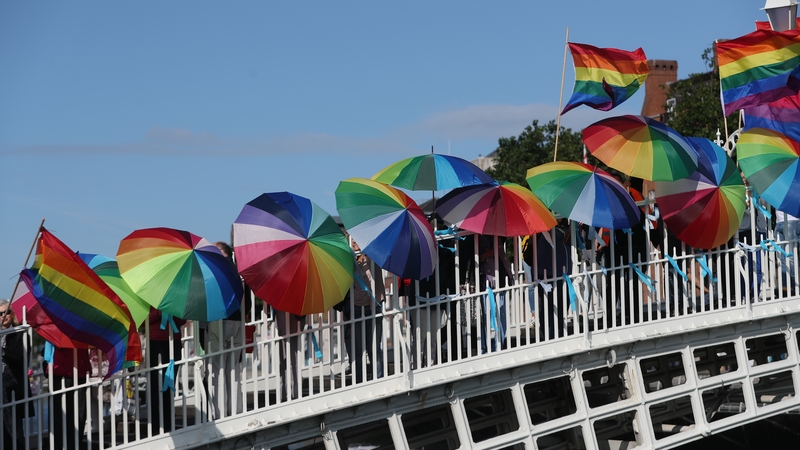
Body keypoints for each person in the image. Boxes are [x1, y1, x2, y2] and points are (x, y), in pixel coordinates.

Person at [206, 241, 244, 419]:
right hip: (237, 320)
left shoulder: (213, 272)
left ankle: (220, 413)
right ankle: (235, 411)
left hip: (218, 320)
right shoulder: (238, 271)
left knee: (217, 369)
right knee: (234, 369)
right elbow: (248, 303)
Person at [344, 238, 385, 382]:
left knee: (374, 345)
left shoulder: (373, 255)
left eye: (357, 238)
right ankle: (359, 380)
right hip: (357, 306)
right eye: (352, 239)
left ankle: (378, 378)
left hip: (375, 304)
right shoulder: (350, 258)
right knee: (358, 348)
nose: (354, 242)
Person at [147, 308, 185, 433]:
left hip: (174, 341)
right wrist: (158, 313)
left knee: (169, 384)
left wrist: (173, 311)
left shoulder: (176, 293)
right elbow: (142, 321)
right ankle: (155, 423)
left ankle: (168, 421)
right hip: (155, 341)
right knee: (154, 384)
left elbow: (183, 318)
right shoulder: (148, 294)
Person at [46, 346, 91, 450]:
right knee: (60, 415)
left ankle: (73, 445)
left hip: (79, 368)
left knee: (78, 414)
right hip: (62, 370)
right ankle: (60, 446)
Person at [1, 300, 32, 449]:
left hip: (13, 387)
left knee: (15, 429)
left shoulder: (21, 333)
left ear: (12, 314)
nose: (3, 316)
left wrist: (3, 352)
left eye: (6, 312)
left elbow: (22, 359)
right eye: (0, 314)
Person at [535, 219, 572, 339]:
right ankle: (552, 333)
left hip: (555, 274)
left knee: (553, 307)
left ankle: (553, 332)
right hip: (553, 275)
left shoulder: (552, 230)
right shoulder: (555, 231)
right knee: (553, 307)